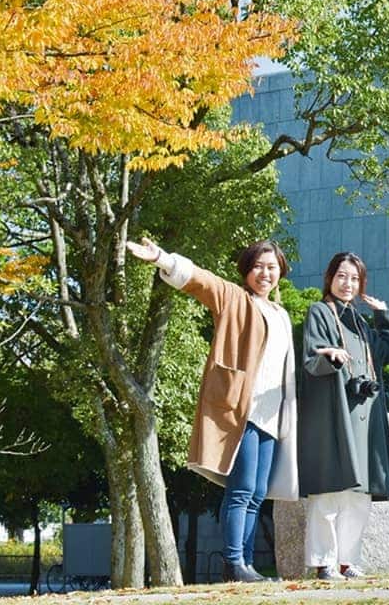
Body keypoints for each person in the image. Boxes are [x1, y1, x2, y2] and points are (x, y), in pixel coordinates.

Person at [125, 237, 298, 583]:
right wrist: (163, 259)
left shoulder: (281, 314)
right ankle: (233, 562)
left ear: (280, 272)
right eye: (258, 267)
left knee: (258, 493)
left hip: (272, 414)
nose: (265, 274)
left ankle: (246, 564)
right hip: (242, 410)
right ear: (246, 271)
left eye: (271, 267)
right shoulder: (235, 299)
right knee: (242, 488)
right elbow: (202, 280)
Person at [298, 252, 389, 581]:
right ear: (330, 278)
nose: (348, 284)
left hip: (364, 415)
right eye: (342, 276)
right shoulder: (319, 311)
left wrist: (384, 315)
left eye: (355, 279)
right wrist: (329, 354)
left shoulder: (360, 321)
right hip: (334, 414)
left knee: (359, 494)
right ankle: (324, 562)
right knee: (329, 488)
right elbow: (311, 358)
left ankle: (348, 561)